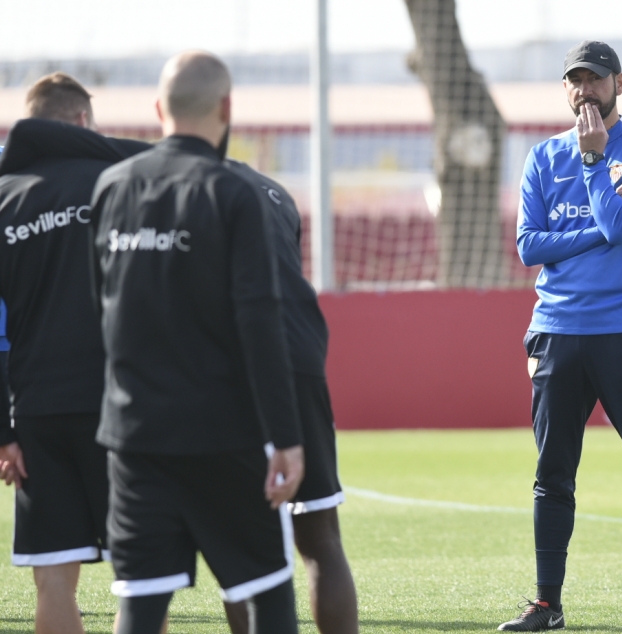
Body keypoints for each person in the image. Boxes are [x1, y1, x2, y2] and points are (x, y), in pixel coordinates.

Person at [89, 50, 304, 634]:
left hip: (135, 440)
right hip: (224, 437)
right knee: (266, 593)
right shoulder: (234, 193)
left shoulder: (111, 187)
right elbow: (261, 323)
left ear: (158, 108)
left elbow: (102, 314)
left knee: (140, 603)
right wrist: (286, 438)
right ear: (227, 108)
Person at [504, 40, 622, 633]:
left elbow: (621, 223)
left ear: (619, 84)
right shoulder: (540, 157)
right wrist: (597, 222)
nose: (584, 90)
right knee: (552, 473)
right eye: (574, 81)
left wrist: (593, 164)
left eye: (595, 79)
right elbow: (529, 246)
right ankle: (547, 604)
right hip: (556, 331)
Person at [0, 73, 147, 634]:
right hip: (122, 404)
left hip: (37, 408)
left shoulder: (6, 197)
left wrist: (2, 430)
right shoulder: (121, 180)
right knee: (139, 574)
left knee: (52, 576)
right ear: (84, 121)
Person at [220, 160, 359, 634]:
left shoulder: (190, 188)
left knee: (243, 544)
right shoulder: (277, 192)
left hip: (237, 362)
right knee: (320, 536)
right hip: (302, 355)